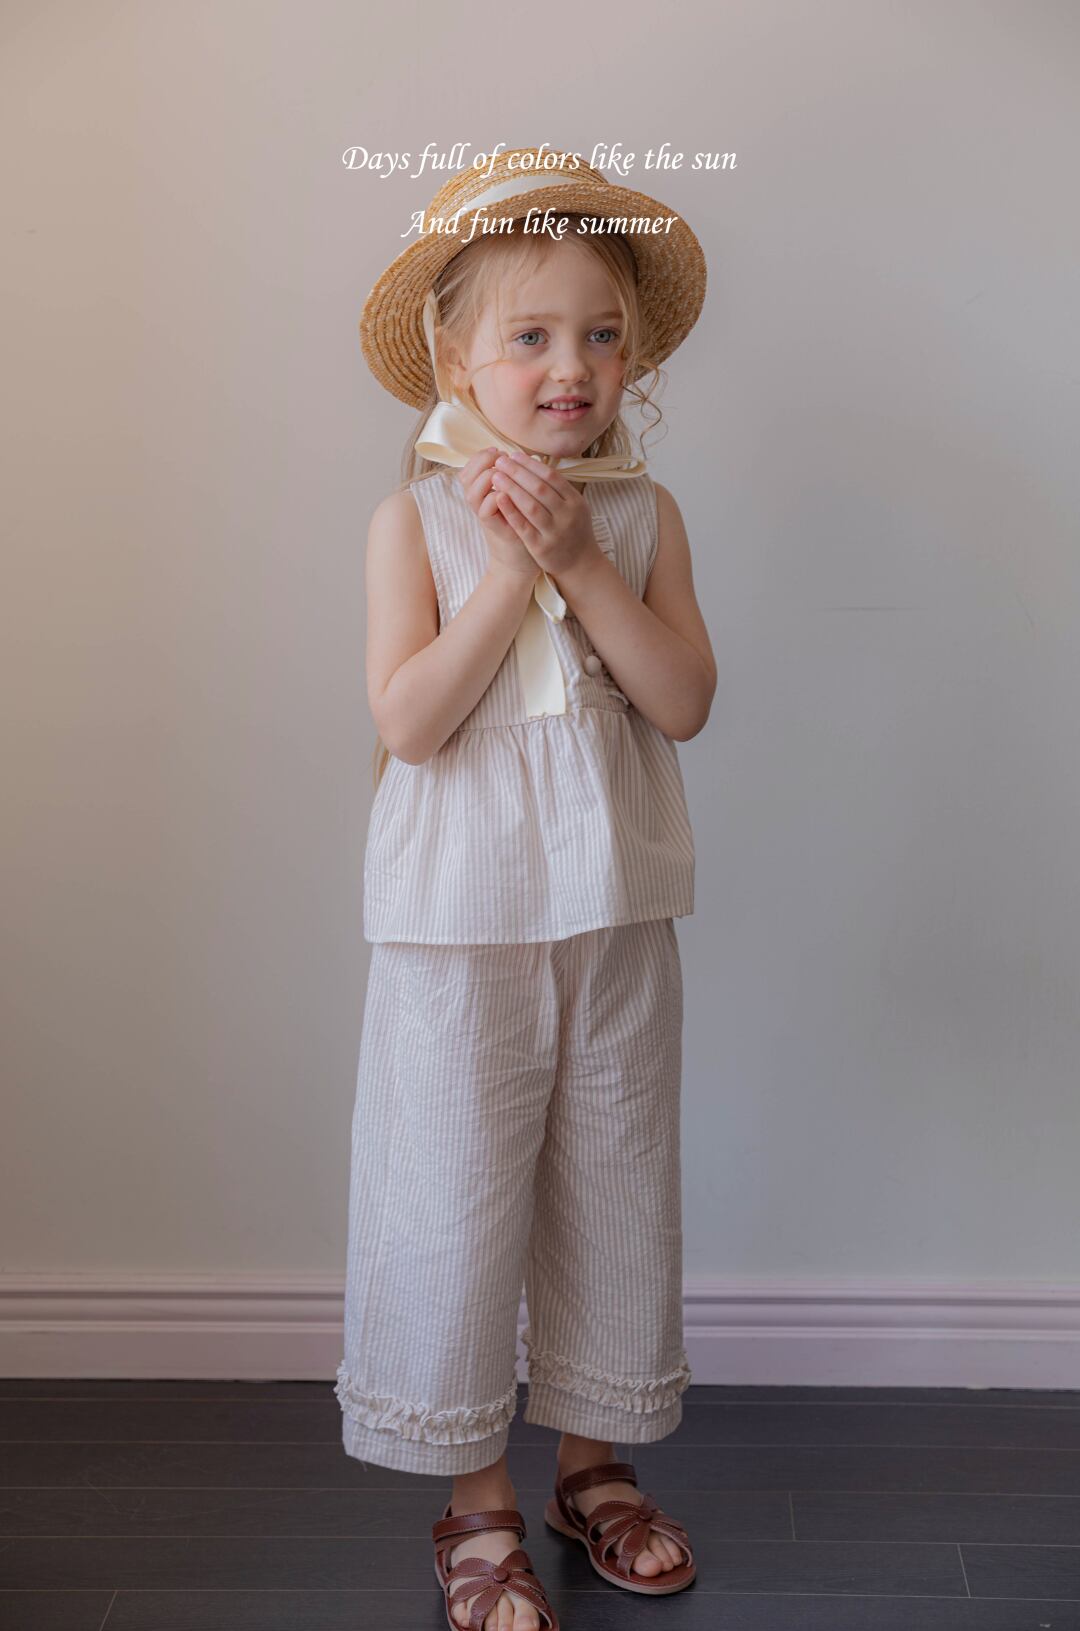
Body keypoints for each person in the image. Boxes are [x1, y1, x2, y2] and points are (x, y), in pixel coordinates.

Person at [336, 148, 716, 1631]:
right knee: (454, 1193)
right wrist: (511, 570)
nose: (573, 367)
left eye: (601, 335)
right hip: (457, 927)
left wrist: (583, 558)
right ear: (456, 360)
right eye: (534, 335)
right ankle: (476, 1496)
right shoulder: (414, 523)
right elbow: (410, 721)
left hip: (614, 919)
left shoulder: (645, 514)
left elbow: (682, 700)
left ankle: (594, 1466)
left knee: (613, 1180)